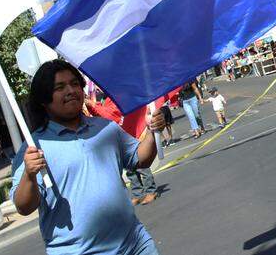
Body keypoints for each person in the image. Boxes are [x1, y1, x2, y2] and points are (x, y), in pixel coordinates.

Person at [12, 59, 166, 254]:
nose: (70, 91)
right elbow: (23, 207)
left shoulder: (105, 127)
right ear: (44, 99)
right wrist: (29, 174)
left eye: (74, 84)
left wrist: (153, 132)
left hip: (135, 245)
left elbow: (140, 158)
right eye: (59, 87)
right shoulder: (34, 147)